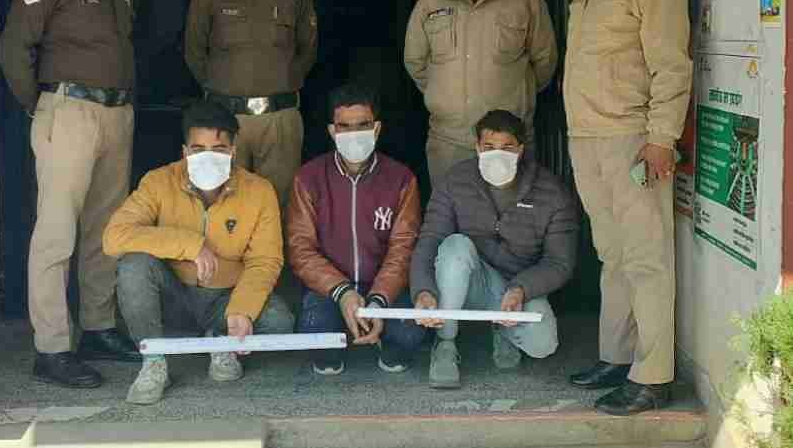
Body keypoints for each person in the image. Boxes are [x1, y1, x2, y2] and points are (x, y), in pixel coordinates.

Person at [0, 0, 140, 388]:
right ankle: (52, 347)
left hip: (116, 113)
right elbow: (14, 46)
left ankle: (98, 327)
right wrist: (39, 105)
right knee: (56, 233)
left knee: (106, 229)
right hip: (68, 110)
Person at [565, 0, 692, 416]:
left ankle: (653, 376)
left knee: (645, 259)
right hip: (588, 136)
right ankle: (617, 357)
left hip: (631, 139)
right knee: (612, 255)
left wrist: (662, 138)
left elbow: (672, 65)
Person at [103, 100, 294, 405]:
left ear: (233, 151)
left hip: (224, 300)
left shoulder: (259, 191)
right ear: (185, 152)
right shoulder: (159, 181)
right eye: (198, 148)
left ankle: (220, 342)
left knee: (279, 319)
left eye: (218, 149)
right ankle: (154, 361)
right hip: (174, 297)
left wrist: (242, 309)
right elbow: (114, 237)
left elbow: (265, 260)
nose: (207, 157)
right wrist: (191, 245)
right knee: (133, 265)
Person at [410, 110, 577, 389]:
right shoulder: (455, 181)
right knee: (454, 246)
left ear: (521, 150)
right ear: (477, 148)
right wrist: (423, 291)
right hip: (472, 281)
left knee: (542, 345)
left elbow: (560, 262)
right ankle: (445, 342)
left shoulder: (551, 192)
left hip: (518, 287)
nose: (497, 155)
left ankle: (502, 329)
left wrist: (521, 289)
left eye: (507, 148)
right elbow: (429, 240)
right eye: (489, 147)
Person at [404, 0, 558, 186]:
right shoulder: (431, 2)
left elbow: (544, 62)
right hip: (449, 141)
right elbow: (415, 63)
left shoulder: (525, 0)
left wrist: (514, 93)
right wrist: (446, 96)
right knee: (453, 210)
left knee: (514, 210)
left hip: (508, 141)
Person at [184, 0, 318, 206]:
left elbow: (307, 51)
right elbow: (194, 52)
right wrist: (224, 90)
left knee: (279, 204)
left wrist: (279, 83)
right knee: (221, 201)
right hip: (224, 117)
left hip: (279, 119)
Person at [286, 83, 425, 375]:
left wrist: (378, 300)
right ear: (332, 131)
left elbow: (404, 247)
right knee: (316, 335)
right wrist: (343, 292)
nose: (354, 134)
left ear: (376, 128)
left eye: (362, 125)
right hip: (329, 289)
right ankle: (344, 333)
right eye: (344, 127)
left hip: (385, 287)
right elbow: (300, 249)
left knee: (409, 335)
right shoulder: (309, 178)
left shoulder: (401, 178)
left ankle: (378, 332)